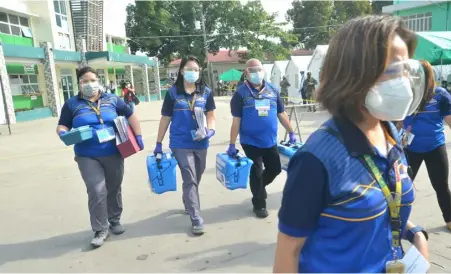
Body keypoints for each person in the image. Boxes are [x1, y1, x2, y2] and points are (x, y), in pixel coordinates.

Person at [273, 16, 429, 273]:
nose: (403, 82)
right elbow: (289, 249)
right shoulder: (316, 159)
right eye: (392, 70)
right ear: (354, 75)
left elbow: (382, 204)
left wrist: (416, 234)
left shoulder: (388, 131)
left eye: (405, 70)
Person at [56, 66, 144, 248]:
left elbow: (131, 115)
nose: (89, 84)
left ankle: (114, 219)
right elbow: (63, 125)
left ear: (99, 81)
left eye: (92, 80)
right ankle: (100, 228)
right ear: (79, 84)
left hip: (114, 152)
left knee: (114, 187)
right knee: (96, 190)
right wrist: (63, 133)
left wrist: (139, 136)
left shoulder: (112, 99)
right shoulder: (72, 104)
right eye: (84, 81)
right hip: (87, 155)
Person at [402, 60, 451, 236]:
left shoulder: (440, 95)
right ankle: (397, 222)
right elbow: (396, 120)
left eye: (417, 74)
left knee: (441, 186)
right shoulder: (406, 94)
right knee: (402, 188)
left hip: (435, 148)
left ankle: (449, 219)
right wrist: (396, 140)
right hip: (410, 149)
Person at [153, 55, 216, 235]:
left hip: (201, 141)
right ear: (181, 71)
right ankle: (196, 218)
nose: (192, 73)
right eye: (189, 69)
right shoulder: (173, 93)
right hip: (180, 142)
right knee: (189, 177)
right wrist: (158, 143)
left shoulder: (206, 92)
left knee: (197, 175)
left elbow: (211, 116)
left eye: (196, 69)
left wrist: (210, 130)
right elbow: (165, 118)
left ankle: (188, 199)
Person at [227, 58, 296, 218]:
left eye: (258, 69)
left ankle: (258, 188)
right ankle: (259, 204)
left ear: (263, 71)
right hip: (250, 141)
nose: (256, 73)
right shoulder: (240, 93)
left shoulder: (273, 90)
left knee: (275, 169)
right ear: (246, 73)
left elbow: (281, 113)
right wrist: (232, 144)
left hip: (270, 140)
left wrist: (291, 131)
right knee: (256, 170)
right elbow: (236, 120)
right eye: (252, 70)